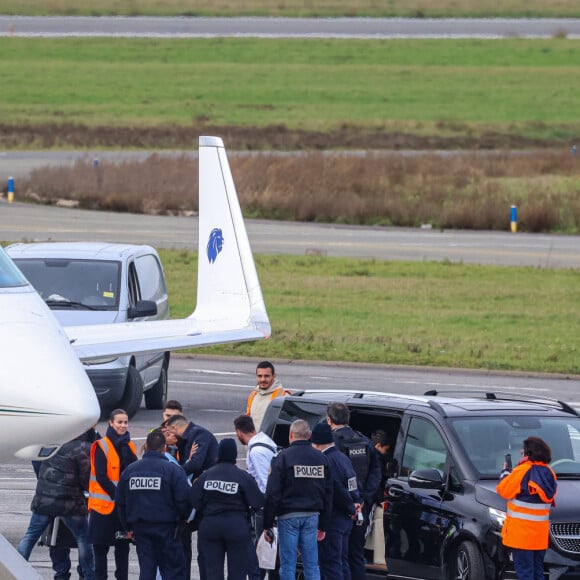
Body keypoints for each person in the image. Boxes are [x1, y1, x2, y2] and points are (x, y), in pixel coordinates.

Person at [17, 427, 98, 580]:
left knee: (30, 536)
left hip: (45, 498)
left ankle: (15, 569)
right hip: (69, 502)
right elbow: (86, 478)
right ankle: (89, 575)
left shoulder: (55, 440)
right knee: (83, 538)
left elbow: (38, 462)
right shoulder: (83, 448)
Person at [115, 430, 192, 580]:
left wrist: (128, 528)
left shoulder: (129, 471)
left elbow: (120, 503)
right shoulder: (173, 471)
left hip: (141, 529)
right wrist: (182, 521)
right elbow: (184, 500)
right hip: (168, 529)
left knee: (147, 570)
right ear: (164, 448)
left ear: (146, 446)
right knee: (173, 571)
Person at [263, 419, 332, 580]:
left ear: (291, 435)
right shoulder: (321, 458)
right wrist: (324, 524)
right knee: (312, 565)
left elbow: (272, 494)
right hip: (312, 517)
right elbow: (329, 493)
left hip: (288, 517)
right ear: (309, 436)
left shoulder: (282, 458)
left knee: (288, 564)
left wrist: (267, 524)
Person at [189, 438, 264, 580]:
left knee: (212, 572)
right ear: (235, 455)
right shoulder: (242, 476)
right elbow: (257, 501)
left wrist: (206, 510)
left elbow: (193, 497)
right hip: (236, 526)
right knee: (237, 572)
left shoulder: (206, 475)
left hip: (210, 525)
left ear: (218, 454)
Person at [326, 402, 381, 580]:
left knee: (336, 557)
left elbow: (333, 478)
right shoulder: (364, 440)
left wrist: (351, 503)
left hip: (340, 510)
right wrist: (364, 499)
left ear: (329, 420)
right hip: (361, 509)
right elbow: (375, 472)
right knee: (355, 554)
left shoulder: (331, 443)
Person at [165, 413, 218, 579]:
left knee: (202, 547)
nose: (170, 436)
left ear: (174, 428)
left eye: (169, 432)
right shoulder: (186, 440)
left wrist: (175, 472)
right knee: (184, 542)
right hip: (194, 495)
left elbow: (196, 463)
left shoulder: (199, 436)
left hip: (203, 499)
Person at [496, 437, 557, 580]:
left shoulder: (522, 471)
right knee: (537, 572)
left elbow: (503, 490)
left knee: (525, 573)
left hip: (521, 536)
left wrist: (505, 473)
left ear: (529, 453)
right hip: (540, 537)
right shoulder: (550, 473)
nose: (521, 452)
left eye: (523, 450)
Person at [88, 409, 138, 580]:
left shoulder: (129, 445)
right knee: (100, 551)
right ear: (111, 423)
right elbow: (101, 477)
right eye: (119, 422)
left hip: (121, 510)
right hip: (103, 509)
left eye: (125, 422)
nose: (123, 426)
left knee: (123, 550)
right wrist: (119, 496)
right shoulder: (102, 445)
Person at [311, 422, 361, 580]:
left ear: (317, 443)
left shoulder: (326, 460)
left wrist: (350, 507)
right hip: (347, 521)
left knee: (330, 565)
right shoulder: (343, 458)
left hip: (333, 520)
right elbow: (353, 484)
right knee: (342, 561)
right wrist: (356, 503)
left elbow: (336, 491)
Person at [234, 414, 278, 580]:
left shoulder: (257, 451)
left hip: (264, 507)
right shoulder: (265, 440)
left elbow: (265, 483)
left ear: (239, 432)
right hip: (270, 505)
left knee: (261, 548)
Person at [364, 429, 392, 570]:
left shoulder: (365, 456)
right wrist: (381, 499)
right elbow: (376, 482)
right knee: (368, 528)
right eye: (386, 450)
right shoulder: (377, 460)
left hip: (366, 499)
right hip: (371, 500)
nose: (387, 454)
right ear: (378, 446)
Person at [246, 361, 291, 431]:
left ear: (274, 376)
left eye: (266, 376)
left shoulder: (283, 396)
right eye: (259, 376)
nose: (263, 379)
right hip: (255, 440)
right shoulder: (253, 395)